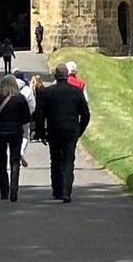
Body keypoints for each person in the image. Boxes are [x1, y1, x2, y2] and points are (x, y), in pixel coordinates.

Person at [36, 63, 90, 202]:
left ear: (55, 76)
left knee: (55, 160)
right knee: (68, 160)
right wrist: (80, 129)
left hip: (54, 130)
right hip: (71, 130)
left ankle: (57, 189)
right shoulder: (76, 92)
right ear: (67, 76)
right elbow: (85, 113)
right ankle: (66, 191)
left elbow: (40, 115)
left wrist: (41, 133)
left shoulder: (47, 92)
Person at [0, 74, 32, 201]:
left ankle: (3, 191)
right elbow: (26, 118)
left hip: (0, 132)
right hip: (16, 132)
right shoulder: (20, 99)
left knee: (1, 162)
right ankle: (14, 188)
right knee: (15, 160)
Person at [13, 70, 36, 167]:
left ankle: (14, 152)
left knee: (13, 137)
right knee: (25, 137)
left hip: (12, 117)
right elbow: (32, 105)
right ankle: (21, 151)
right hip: (24, 117)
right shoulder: (27, 89)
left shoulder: (9, 87)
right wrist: (29, 113)